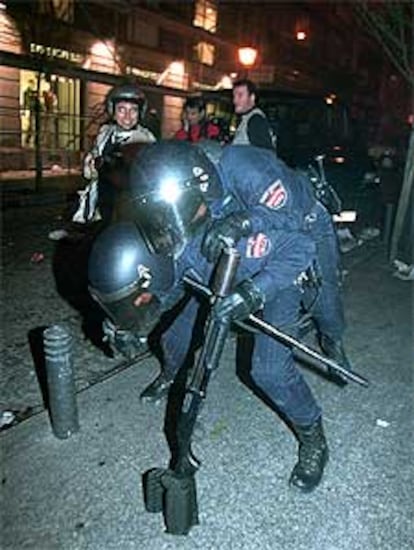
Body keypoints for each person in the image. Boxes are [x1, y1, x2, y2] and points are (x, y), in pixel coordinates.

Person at [88, 141, 352, 493]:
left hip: (291, 231)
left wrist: (253, 280)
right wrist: (131, 324)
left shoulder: (245, 170)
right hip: (231, 253)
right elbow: (171, 278)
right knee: (175, 337)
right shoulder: (181, 221)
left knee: (316, 314)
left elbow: (296, 238)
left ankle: (316, 423)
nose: (170, 224)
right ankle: (170, 375)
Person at [71, 83, 156, 226]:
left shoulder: (146, 139)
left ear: (140, 112)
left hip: (129, 208)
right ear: (113, 111)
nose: (127, 116)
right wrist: (92, 163)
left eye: (133, 110)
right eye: (121, 110)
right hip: (102, 201)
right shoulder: (105, 133)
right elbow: (91, 166)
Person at [232, 79, 275, 151]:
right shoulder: (247, 119)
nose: (235, 100)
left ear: (252, 97)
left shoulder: (256, 121)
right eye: (234, 96)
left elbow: (264, 154)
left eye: (240, 95)